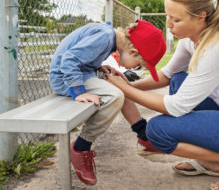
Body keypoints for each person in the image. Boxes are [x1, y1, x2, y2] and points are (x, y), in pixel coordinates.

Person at [106, 0, 219, 190]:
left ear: (201, 16)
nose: (168, 24)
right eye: (168, 16)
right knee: (179, 80)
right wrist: (128, 85)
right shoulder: (190, 39)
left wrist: (125, 89)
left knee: (157, 131)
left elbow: (176, 107)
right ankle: (213, 162)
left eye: (176, 19)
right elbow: (166, 75)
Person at [49, 19, 166, 185]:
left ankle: (144, 135)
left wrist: (98, 67)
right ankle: (81, 147)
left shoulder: (107, 37)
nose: (134, 69)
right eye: (139, 65)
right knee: (115, 96)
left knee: (120, 85)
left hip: (80, 74)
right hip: (65, 80)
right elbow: (69, 59)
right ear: (133, 52)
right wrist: (78, 92)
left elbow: (81, 57)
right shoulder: (104, 37)